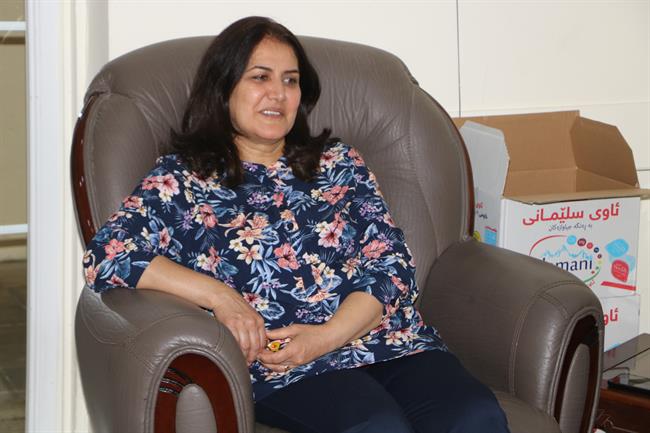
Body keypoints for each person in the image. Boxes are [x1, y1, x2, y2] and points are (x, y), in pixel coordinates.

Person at [83, 16, 510, 433]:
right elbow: (107, 255)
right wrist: (221, 297)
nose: (278, 94)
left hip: (390, 343)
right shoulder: (183, 179)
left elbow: (392, 265)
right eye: (260, 77)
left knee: (475, 416)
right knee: (375, 425)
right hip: (285, 367)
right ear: (223, 88)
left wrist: (326, 337)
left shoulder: (339, 162)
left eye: (290, 80)